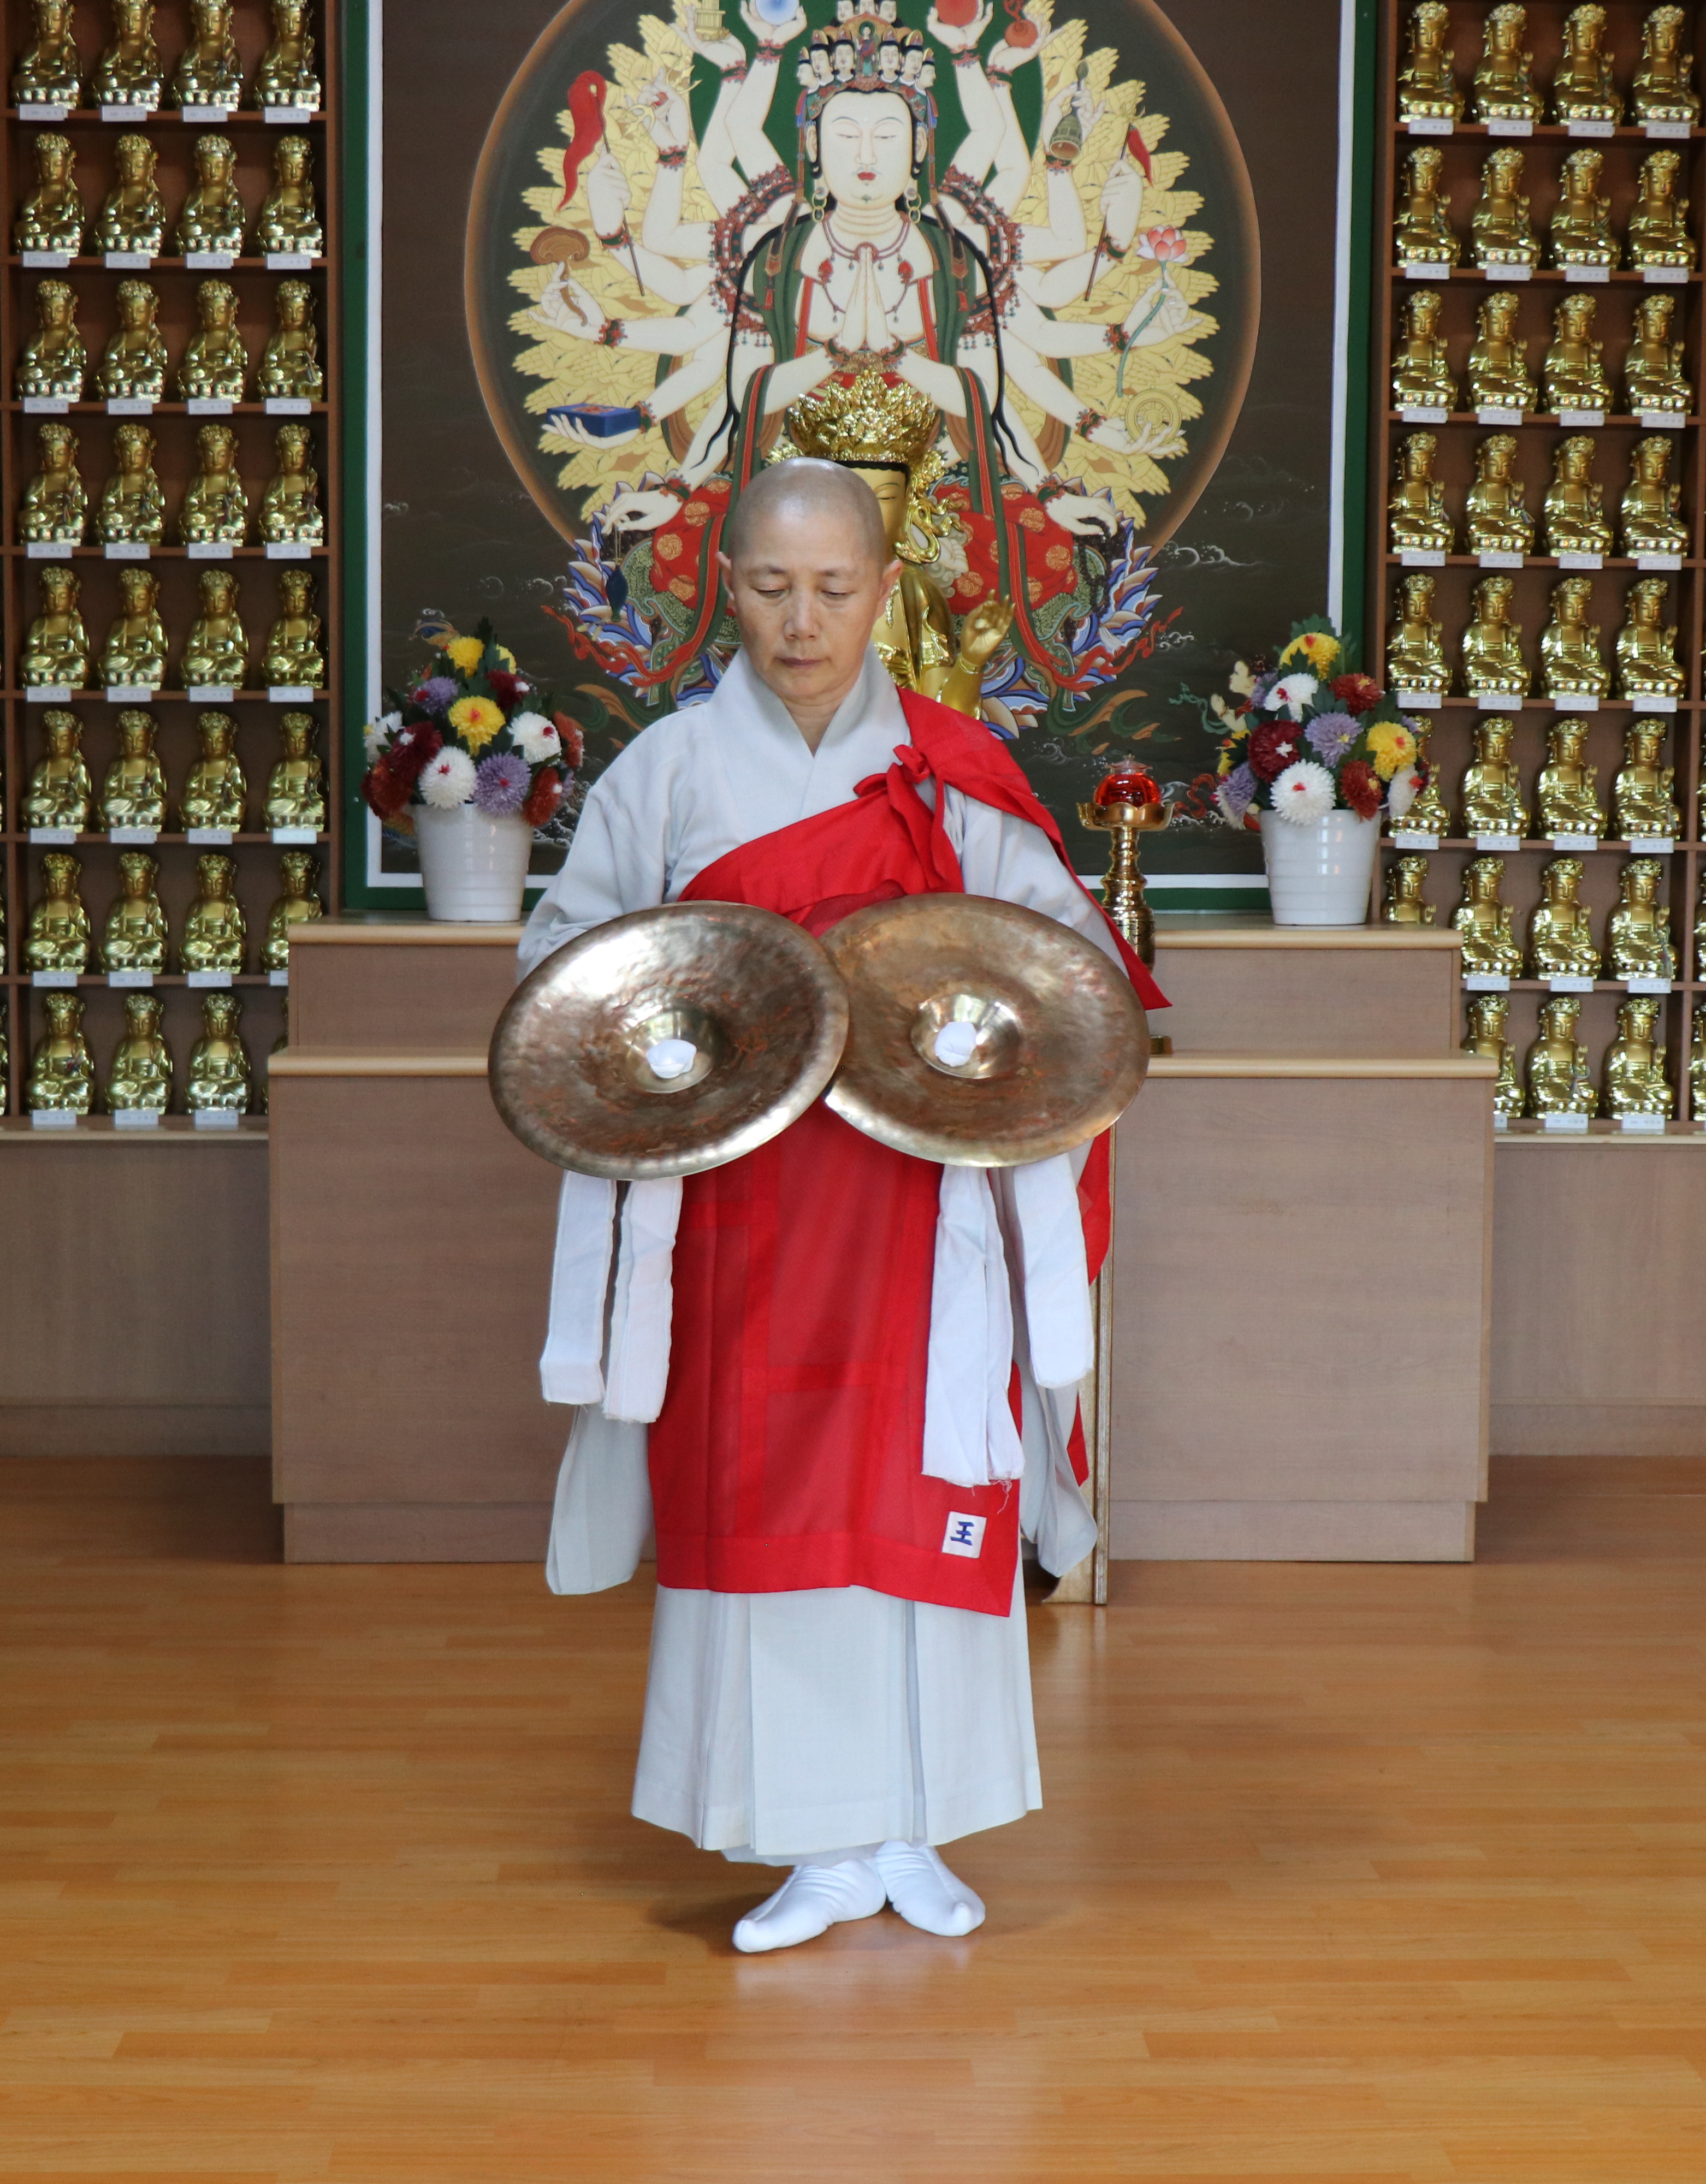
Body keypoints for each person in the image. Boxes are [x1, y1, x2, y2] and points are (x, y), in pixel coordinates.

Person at [519, 456, 1160, 1954]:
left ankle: (912, 1829)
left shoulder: (952, 776)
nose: (801, 620)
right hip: (739, 1218)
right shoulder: (668, 774)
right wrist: (675, 1026)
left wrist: (978, 1025)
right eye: (768, 585)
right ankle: (807, 1843)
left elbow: (1067, 973)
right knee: (763, 1512)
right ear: (720, 584)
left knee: (916, 1501)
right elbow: (564, 963)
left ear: (885, 591)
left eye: (832, 587)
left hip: (915, 1221)